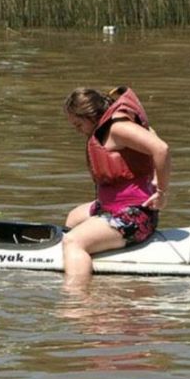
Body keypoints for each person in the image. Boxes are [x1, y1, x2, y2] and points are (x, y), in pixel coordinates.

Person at [62, 86, 171, 287]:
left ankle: (78, 299)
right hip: (112, 208)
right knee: (74, 217)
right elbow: (151, 136)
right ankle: (85, 259)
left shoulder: (117, 129)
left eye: (78, 125)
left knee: (72, 241)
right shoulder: (103, 130)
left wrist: (161, 192)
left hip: (135, 216)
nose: (78, 131)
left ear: (91, 116)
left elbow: (161, 148)